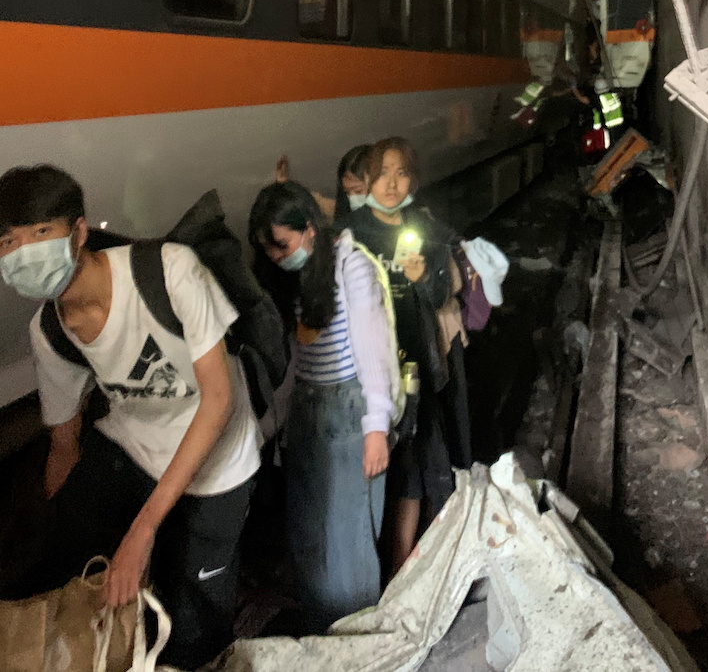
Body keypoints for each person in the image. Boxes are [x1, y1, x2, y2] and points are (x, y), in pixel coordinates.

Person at [0, 165, 260, 671]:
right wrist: (50, 521)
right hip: (134, 442)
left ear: (78, 233)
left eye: (40, 233)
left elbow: (218, 401)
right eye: (7, 241)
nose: (22, 252)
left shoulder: (167, 271)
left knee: (195, 619)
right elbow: (65, 441)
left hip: (218, 456)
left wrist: (141, 533)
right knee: (71, 557)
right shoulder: (48, 330)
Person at [248, 180, 399, 632]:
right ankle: (323, 630)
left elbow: (374, 350)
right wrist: (270, 424)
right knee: (309, 529)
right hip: (309, 412)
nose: (277, 255)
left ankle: (357, 634)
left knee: (346, 536)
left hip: (349, 414)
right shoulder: (298, 279)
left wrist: (376, 428)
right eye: (269, 249)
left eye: (282, 244)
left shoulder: (351, 268)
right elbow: (300, 360)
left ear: (310, 229)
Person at [347, 138, 467, 572]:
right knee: (383, 467)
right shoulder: (354, 233)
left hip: (415, 366)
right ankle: (374, 560)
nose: (391, 183)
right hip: (369, 373)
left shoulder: (423, 226)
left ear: (412, 178)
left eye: (400, 173)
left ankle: (403, 560)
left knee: (417, 464)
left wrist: (422, 278)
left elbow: (439, 296)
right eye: (382, 174)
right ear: (367, 181)